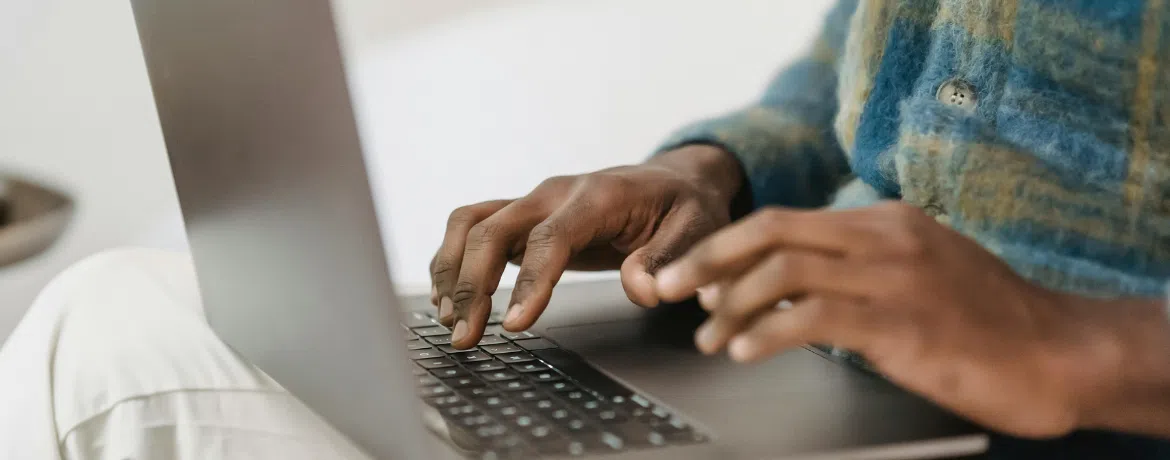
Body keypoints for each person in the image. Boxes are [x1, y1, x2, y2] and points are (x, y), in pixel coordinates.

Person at [2, 1, 1170, 459]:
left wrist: (1077, 345)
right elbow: (860, 72)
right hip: (804, 372)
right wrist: (707, 170)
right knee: (127, 315)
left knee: (102, 353)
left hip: (1076, 426)